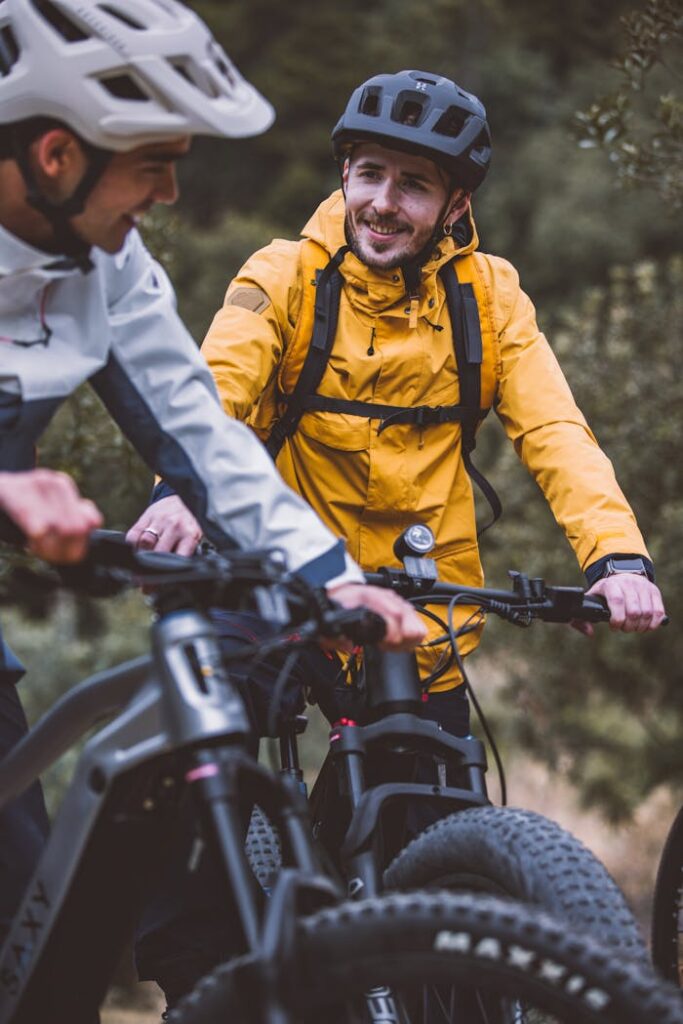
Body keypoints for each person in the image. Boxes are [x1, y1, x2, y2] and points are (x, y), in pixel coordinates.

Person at [135, 68, 666, 1008]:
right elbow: (218, 392)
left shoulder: (491, 299)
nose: (382, 203)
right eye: (368, 173)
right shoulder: (283, 273)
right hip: (277, 574)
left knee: (438, 835)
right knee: (197, 752)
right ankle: (198, 986)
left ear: (453, 204)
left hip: (422, 600)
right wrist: (182, 488)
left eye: (412, 185)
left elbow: (554, 433)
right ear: (345, 172)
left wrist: (614, 557)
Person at [0, 5, 424, 1014]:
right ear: (58, 154)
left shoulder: (109, 268)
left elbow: (203, 431)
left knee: (30, 934)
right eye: (153, 163)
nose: (171, 190)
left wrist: (331, 577)